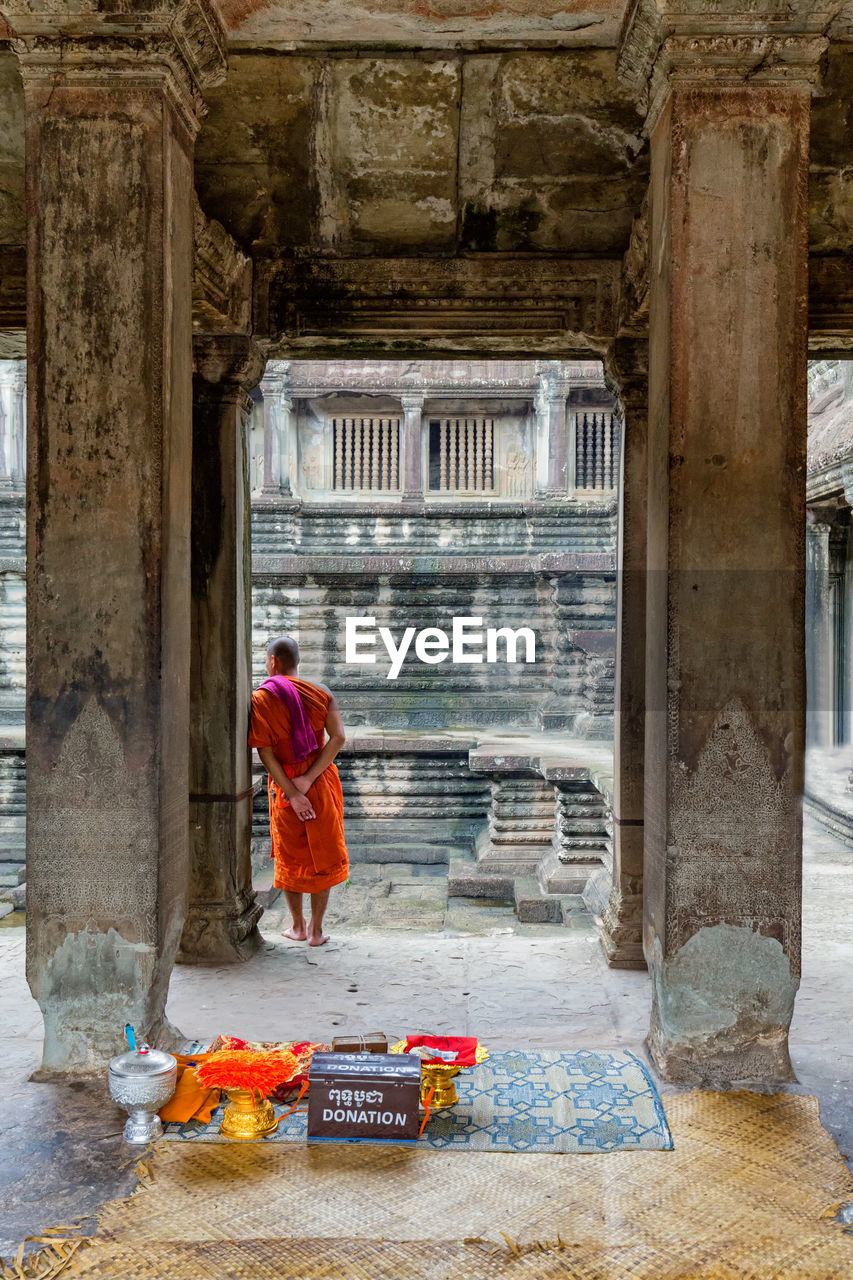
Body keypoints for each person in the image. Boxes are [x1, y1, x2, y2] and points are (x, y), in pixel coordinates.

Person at [248, 635, 349, 946]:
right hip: (320, 780)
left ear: (273, 663)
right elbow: (338, 738)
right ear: (297, 663)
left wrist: (292, 790)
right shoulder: (321, 693)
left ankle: (297, 926)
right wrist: (308, 780)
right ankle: (317, 931)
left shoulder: (262, 700)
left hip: (285, 784)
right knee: (323, 853)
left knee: (290, 857)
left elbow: (265, 752)